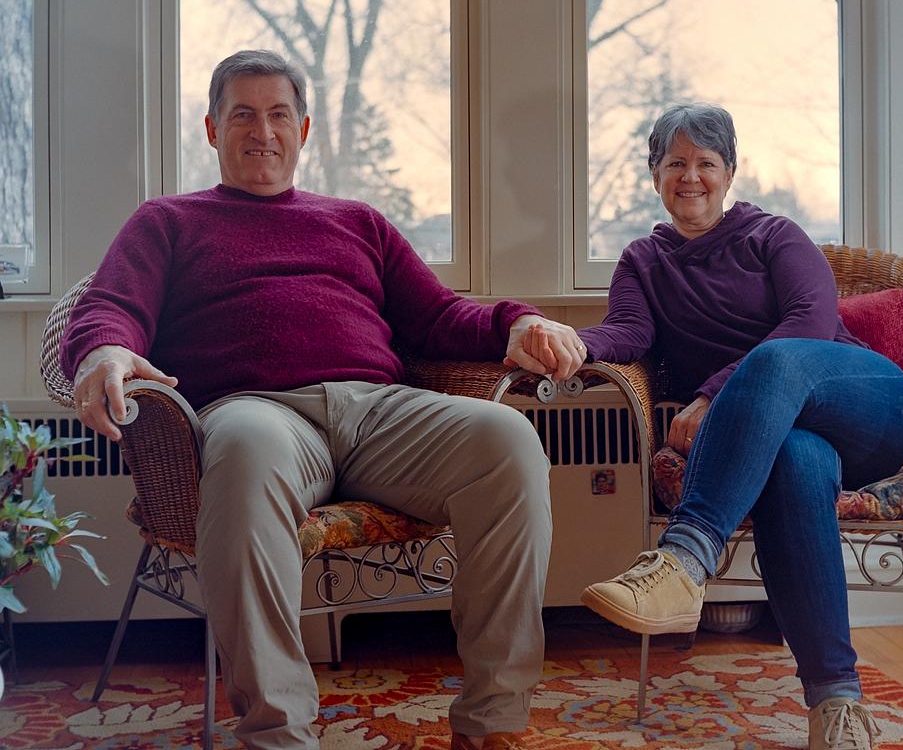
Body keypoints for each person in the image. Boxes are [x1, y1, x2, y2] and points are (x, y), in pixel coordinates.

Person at [61, 50, 587, 750]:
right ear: (212, 128)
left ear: (303, 129)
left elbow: (438, 315)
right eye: (243, 115)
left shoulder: (358, 221)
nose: (263, 131)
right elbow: (110, 306)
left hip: (380, 412)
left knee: (508, 440)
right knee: (244, 451)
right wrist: (103, 350)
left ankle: (494, 722)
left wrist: (516, 322)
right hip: (257, 412)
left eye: (279, 114)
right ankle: (278, 732)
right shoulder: (167, 221)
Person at [528, 103, 903, 750]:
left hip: (866, 407)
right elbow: (628, 333)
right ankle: (837, 707)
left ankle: (685, 559)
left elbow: (809, 321)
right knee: (795, 463)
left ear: (729, 172)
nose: (691, 176)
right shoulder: (643, 261)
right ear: (654, 174)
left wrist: (713, 394)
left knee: (775, 359)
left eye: (706, 162)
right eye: (675, 163)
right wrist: (569, 341)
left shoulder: (773, 236)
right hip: (784, 439)